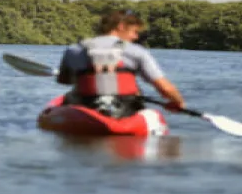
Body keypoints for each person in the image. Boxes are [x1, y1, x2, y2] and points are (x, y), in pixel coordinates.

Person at [56, 10, 186, 118]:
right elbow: (165, 89)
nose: (135, 37)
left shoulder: (73, 49)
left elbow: (64, 80)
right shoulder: (136, 51)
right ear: (121, 26)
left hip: (85, 109)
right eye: (134, 32)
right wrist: (177, 102)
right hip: (123, 112)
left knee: (69, 97)